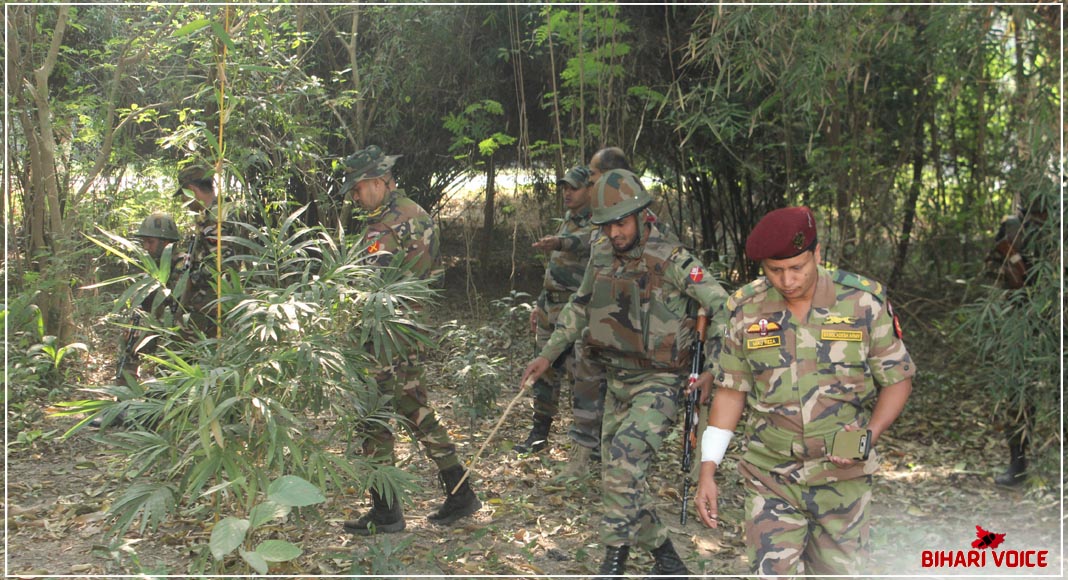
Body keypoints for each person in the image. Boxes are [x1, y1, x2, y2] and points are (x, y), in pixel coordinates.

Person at [521, 169, 729, 580]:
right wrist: (548, 354)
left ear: (641, 215)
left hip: (661, 381)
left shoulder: (671, 258)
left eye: (622, 223)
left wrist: (713, 371)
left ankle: (612, 562)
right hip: (615, 377)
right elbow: (580, 306)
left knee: (621, 464)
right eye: (607, 225)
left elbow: (722, 306)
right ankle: (666, 557)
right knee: (619, 477)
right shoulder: (600, 250)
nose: (615, 233)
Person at [694, 206, 915, 576]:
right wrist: (708, 469)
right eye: (775, 270)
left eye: (797, 267)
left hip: (842, 479)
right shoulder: (746, 309)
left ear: (817, 253)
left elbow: (897, 379)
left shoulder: (862, 302)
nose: (787, 280)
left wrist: (868, 436)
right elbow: (731, 391)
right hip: (771, 475)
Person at [338, 145, 481, 535]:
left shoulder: (391, 225)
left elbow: (374, 285)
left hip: (390, 337)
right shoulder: (407, 214)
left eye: (359, 187)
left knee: (381, 417)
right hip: (401, 333)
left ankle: (393, 510)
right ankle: (451, 493)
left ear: (381, 182)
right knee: (410, 413)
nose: (354, 195)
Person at [518, 166, 605, 475]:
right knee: (544, 375)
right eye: (565, 187)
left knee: (581, 377)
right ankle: (539, 434)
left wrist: (559, 242)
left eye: (574, 188)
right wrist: (539, 305)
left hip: (576, 313)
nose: (567, 193)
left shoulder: (599, 221)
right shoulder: (568, 219)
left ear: (589, 191)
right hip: (550, 309)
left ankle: (588, 446)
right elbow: (554, 270)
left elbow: (579, 245)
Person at [91, 211, 181, 428]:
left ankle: (157, 413)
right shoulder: (150, 265)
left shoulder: (181, 266)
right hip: (155, 325)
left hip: (177, 329)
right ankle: (121, 406)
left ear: (166, 242)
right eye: (144, 242)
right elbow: (143, 301)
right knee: (128, 346)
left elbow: (182, 304)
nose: (147, 247)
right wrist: (134, 325)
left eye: (150, 242)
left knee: (170, 358)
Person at [986, 196, 1050, 486]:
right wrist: (1011, 269)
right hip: (1021, 324)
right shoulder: (1013, 229)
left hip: (1056, 321)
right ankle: (1018, 464)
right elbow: (992, 271)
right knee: (1019, 396)